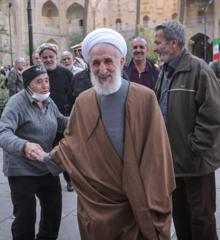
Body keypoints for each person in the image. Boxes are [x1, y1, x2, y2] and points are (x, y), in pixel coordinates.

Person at [30, 28, 175, 239]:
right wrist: (45, 158)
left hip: (137, 201)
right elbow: (72, 143)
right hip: (96, 205)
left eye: (108, 61)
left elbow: (158, 155)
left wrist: (155, 200)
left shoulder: (145, 98)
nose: (102, 69)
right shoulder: (83, 101)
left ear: (122, 60)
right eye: (95, 63)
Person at [153, 20, 220, 240]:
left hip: (195, 162)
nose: (154, 48)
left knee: (201, 217)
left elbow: (214, 114)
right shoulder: (164, 71)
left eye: (157, 42)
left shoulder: (199, 69)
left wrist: (194, 146)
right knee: (180, 216)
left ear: (174, 43)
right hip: (172, 162)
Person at [0, 64, 68, 240]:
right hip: (22, 169)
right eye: (39, 82)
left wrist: (82, 119)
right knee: (25, 216)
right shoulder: (16, 103)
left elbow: (61, 122)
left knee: (53, 209)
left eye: (47, 80)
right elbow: (2, 133)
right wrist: (25, 145)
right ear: (28, 85)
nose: (45, 85)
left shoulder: (48, 100)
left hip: (46, 165)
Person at [37, 42, 75, 192]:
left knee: (64, 151)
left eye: (51, 57)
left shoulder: (66, 74)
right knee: (46, 151)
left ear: (55, 57)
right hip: (43, 121)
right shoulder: (37, 75)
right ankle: (48, 180)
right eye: (45, 57)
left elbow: (72, 96)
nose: (48, 60)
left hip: (62, 120)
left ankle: (69, 179)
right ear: (41, 59)